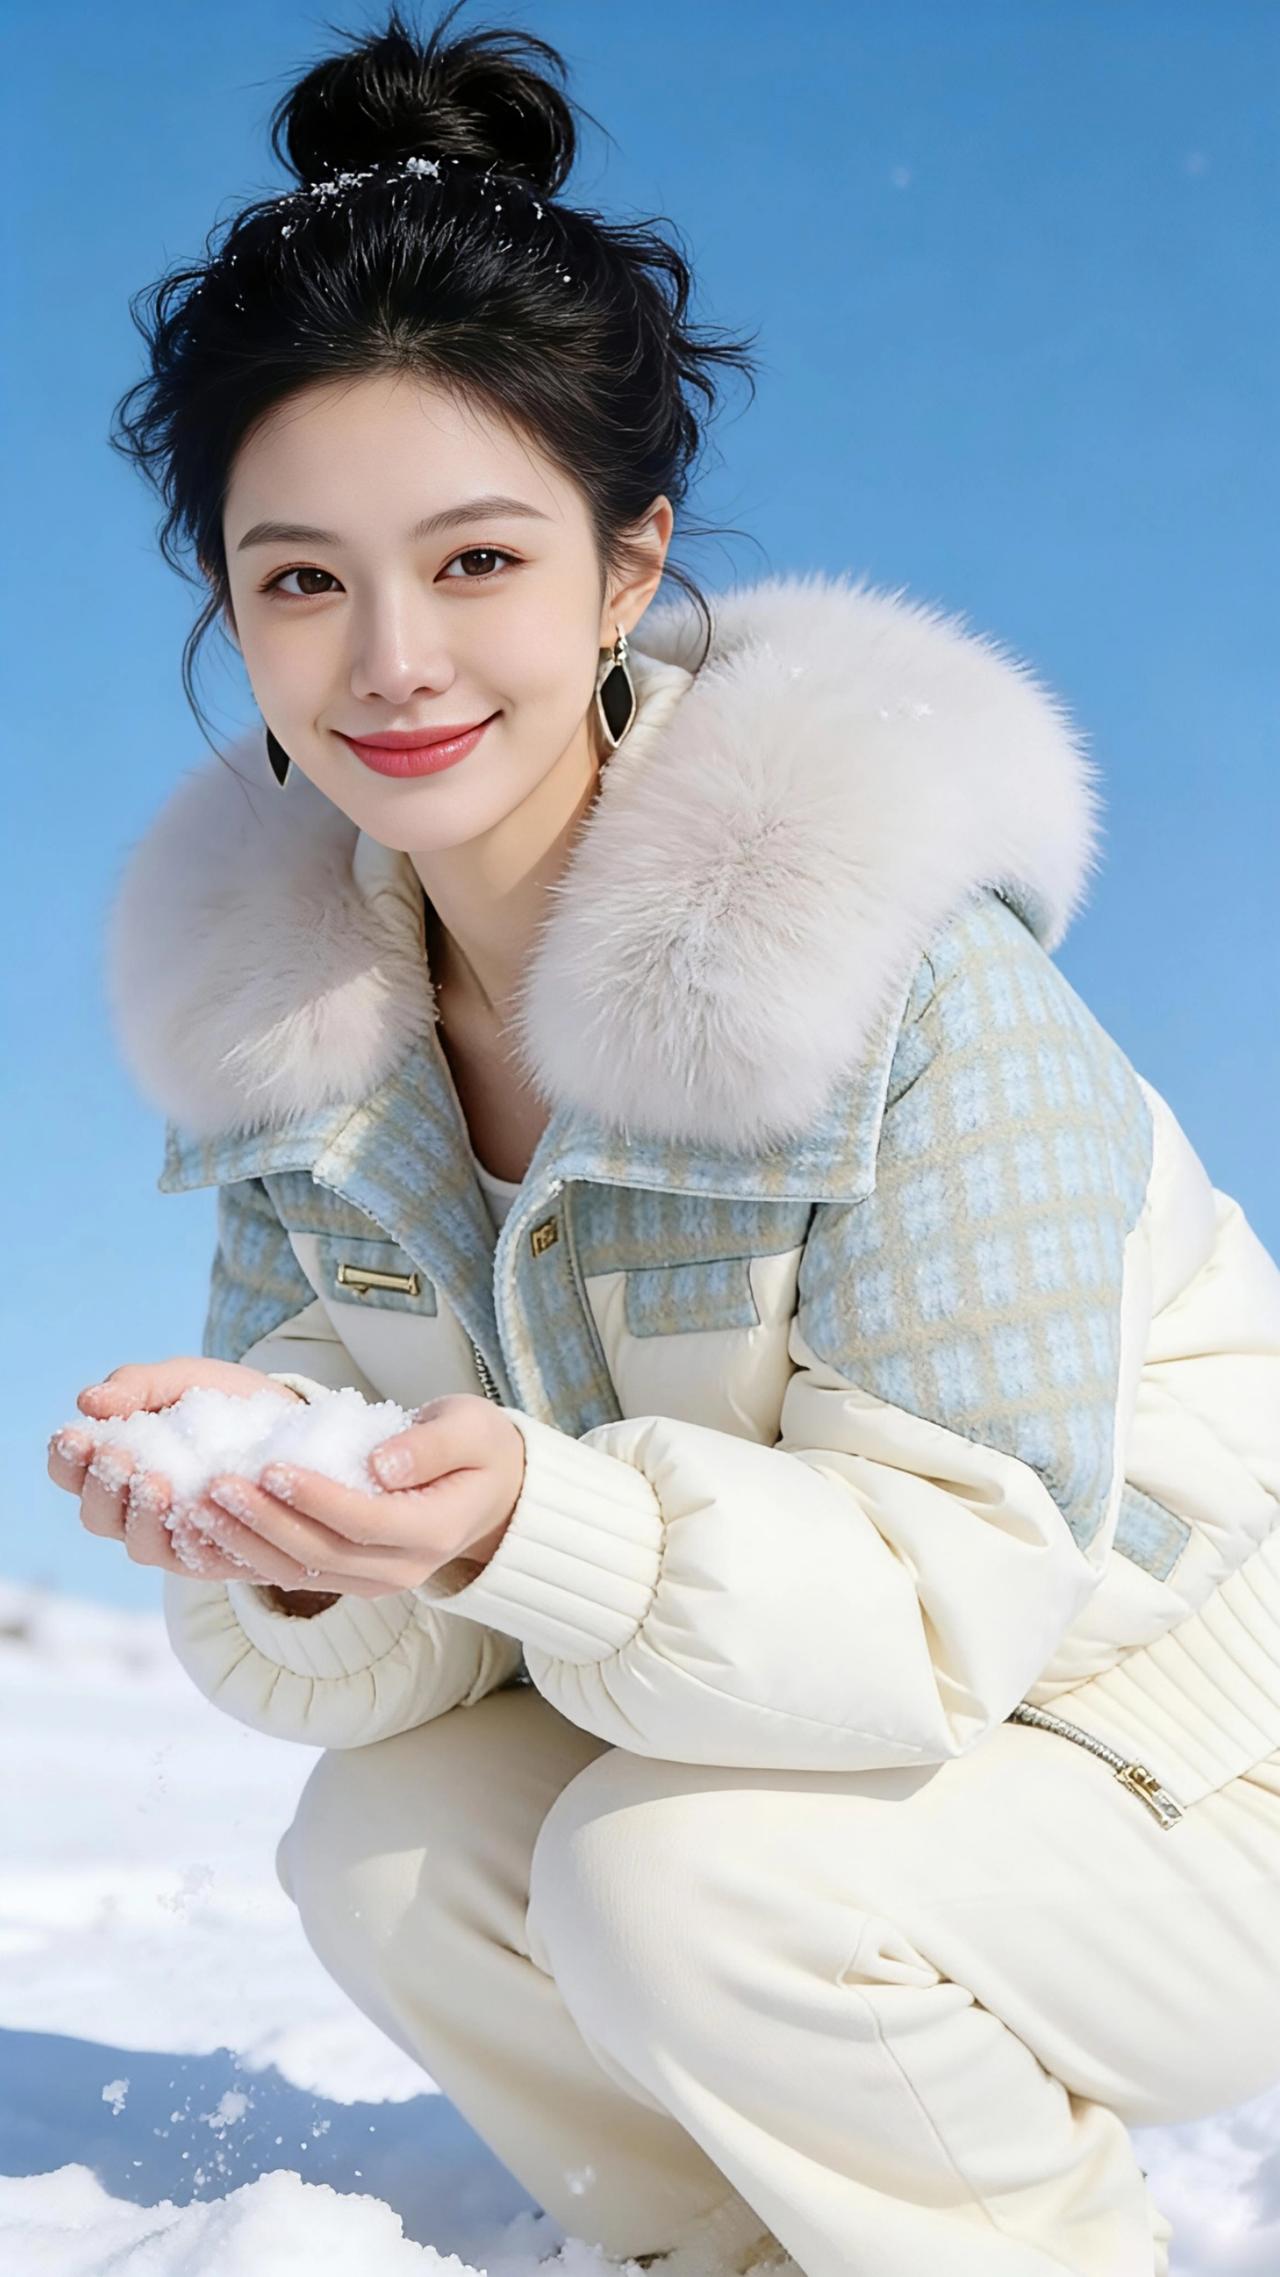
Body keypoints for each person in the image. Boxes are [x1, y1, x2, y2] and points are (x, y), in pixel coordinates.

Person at [49, 7, 1280, 2273]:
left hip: (1182, 1761)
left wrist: (540, 1516)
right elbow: (436, 1656)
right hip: (813, 1766)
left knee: (677, 1878)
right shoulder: (300, 1046)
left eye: (478, 560)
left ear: (627, 570)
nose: (391, 659)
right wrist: (300, 1536)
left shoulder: (891, 968)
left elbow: (952, 1608)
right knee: (390, 1840)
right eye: (302, 577)